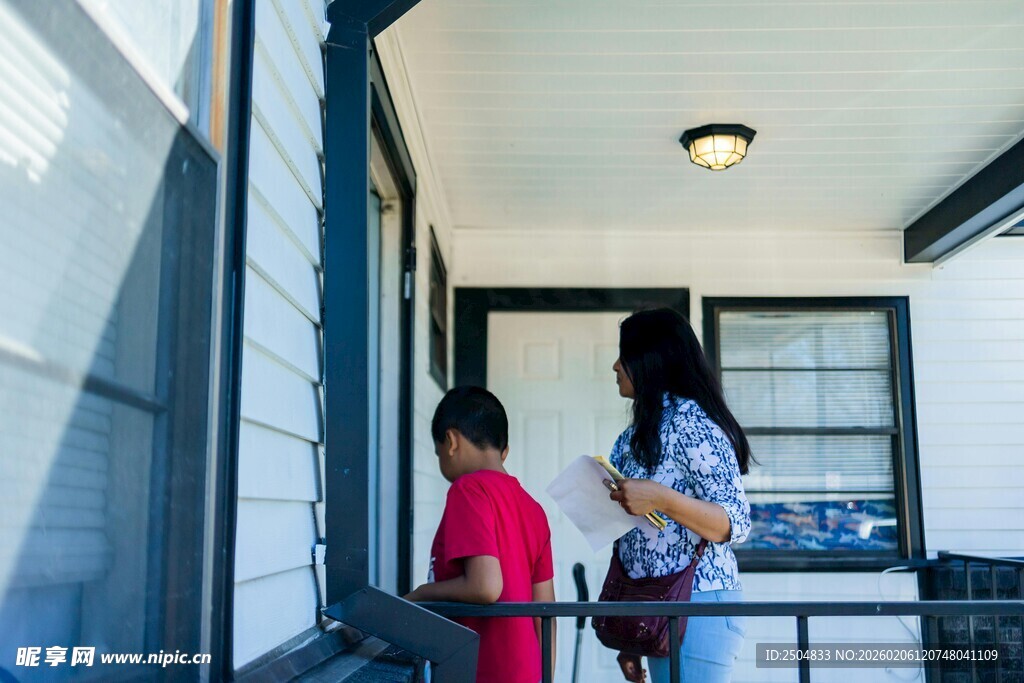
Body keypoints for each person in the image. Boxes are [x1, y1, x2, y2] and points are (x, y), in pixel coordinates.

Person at [605, 308, 753, 683]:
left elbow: (735, 521)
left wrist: (660, 497)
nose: (615, 366)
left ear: (651, 360)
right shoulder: (634, 436)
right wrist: (632, 632)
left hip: (698, 604)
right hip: (656, 607)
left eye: (625, 355)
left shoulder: (694, 424)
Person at [405, 386, 556, 683]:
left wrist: (421, 595)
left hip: (481, 670)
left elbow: (486, 586)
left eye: (438, 453)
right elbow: (545, 611)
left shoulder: (468, 489)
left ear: (450, 441)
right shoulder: (534, 509)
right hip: (528, 672)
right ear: (504, 450)